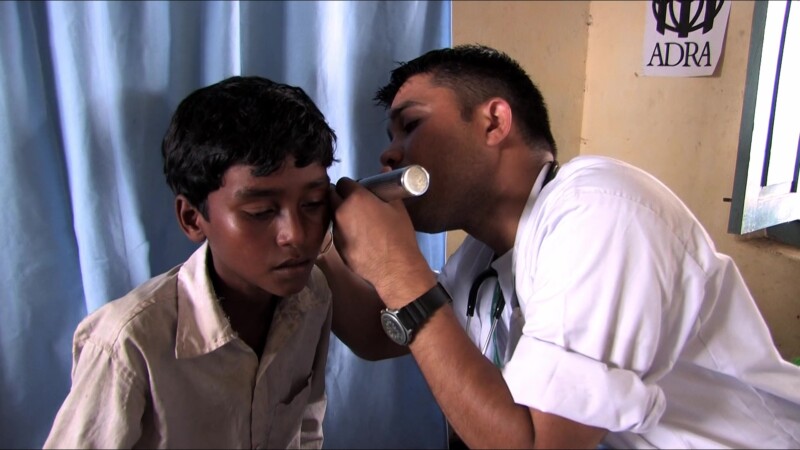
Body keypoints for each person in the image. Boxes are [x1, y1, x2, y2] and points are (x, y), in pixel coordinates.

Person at [319, 44, 800, 448]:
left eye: (412, 124)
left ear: (494, 122)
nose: (389, 154)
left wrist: (398, 270)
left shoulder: (600, 210)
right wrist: (316, 246)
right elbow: (384, 333)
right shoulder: (484, 254)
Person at [44, 76, 337, 449]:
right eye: (260, 211)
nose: (295, 234)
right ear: (192, 219)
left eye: (312, 204)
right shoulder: (128, 344)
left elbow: (306, 425)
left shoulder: (313, 296)